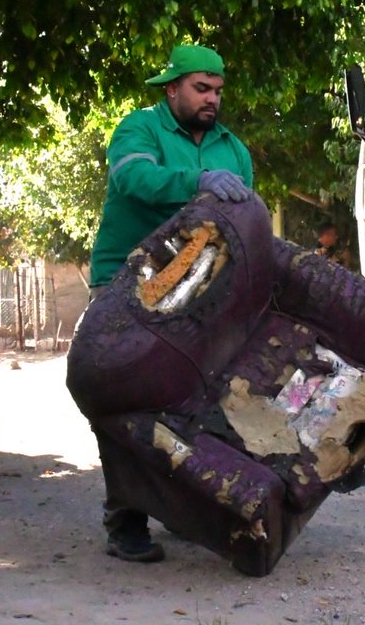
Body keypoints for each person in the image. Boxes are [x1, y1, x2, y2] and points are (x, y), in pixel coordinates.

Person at [87, 44, 254, 563]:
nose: (212, 99)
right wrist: (196, 182)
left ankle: (182, 506)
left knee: (198, 401)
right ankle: (126, 520)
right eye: (201, 88)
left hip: (197, 291)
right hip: (127, 283)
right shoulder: (139, 129)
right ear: (172, 89)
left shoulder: (234, 149)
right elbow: (131, 180)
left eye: (218, 90)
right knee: (127, 402)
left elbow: (241, 222)